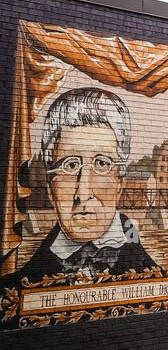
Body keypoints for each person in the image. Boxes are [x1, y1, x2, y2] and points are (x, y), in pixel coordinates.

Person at [11, 87, 157, 284]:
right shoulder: (17, 286)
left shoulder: (153, 276)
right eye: (70, 165)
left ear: (120, 182)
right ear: (50, 186)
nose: (83, 192)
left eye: (102, 163)